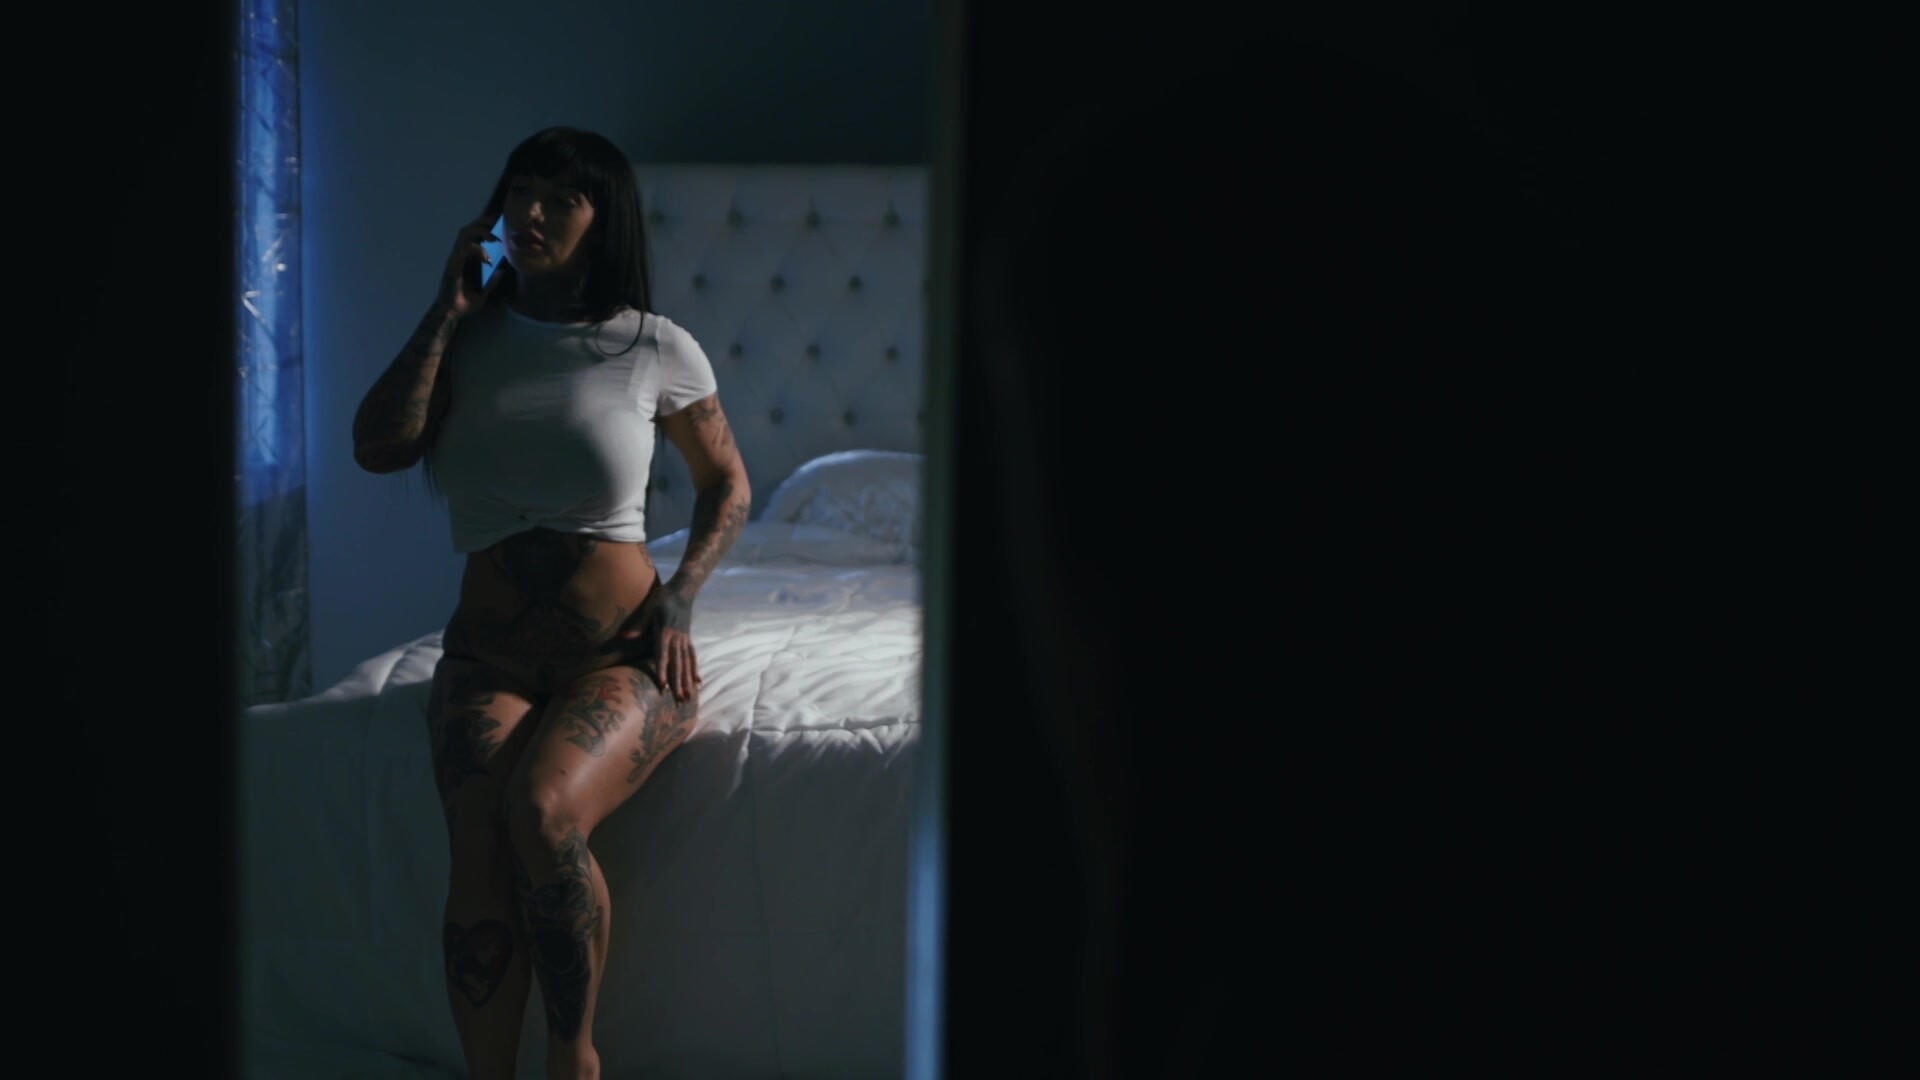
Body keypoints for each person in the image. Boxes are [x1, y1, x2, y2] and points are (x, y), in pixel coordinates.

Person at [351, 126, 751, 1080]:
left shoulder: (654, 346)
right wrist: (446, 310)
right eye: (520, 192)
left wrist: (684, 596)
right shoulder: (466, 341)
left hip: (621, 655)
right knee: (478, 841)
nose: (530, 213)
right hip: (487, 656)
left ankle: (574, 1062)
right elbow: (378, 447)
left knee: (539, 811)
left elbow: (727, 484)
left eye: (560, 199)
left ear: (601, 221)